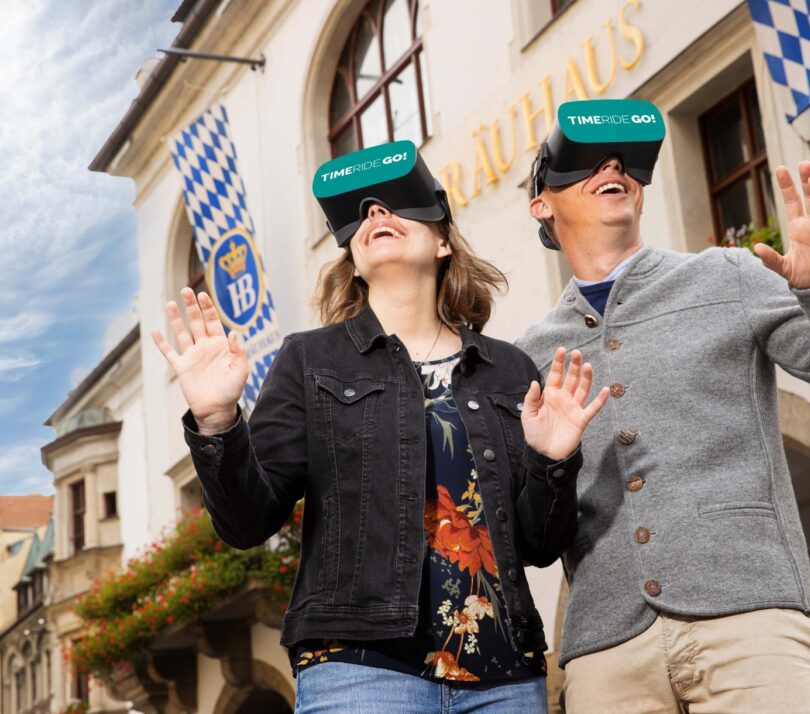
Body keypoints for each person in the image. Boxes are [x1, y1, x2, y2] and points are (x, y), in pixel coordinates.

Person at [150, 140, 609, 713]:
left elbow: (541, 545)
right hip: (357, 669)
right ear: (354, 258)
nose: (374, 215)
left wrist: (553, 461)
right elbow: (247, 522)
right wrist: (216, 421)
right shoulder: (309, 361)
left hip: (504, 675)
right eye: (361, 215)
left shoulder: (508, 368)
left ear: (443, 240)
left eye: (396, 205)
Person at [517, 99, 810, 713]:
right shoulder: (528, 355)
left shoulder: (728, 277)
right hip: (606, 655)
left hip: (753, 620)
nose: (611, 165)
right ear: (542, 203)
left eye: (624, 159)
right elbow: (529, 527)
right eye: (583, 163)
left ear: (640, 191)